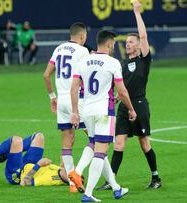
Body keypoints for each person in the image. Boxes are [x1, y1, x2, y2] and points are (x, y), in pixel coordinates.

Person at [97, 0, 162, 190]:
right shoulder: (122, 64)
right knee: (118, 144)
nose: (127, 44)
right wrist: (118, 97)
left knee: (144, 143)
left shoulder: (144, 59)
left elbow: (143, 34)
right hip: (125, 106)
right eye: (126, 42)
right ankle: (111, 180)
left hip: (140, 105)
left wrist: (136, 11)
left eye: (131, 41)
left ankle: (156, 177)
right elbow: (122, 87)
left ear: (139, 45)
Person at [69, 30, 137, 202]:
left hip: (88, 111)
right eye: (113, 44)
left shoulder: (83, 61)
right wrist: (130, 108)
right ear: (109, 44)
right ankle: (88, 194)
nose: (113, 46)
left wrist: (75, 112)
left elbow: (74, 88)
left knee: (95, 145)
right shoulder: (113, 63)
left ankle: (116, 188)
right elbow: (121, 91)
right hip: (105, 111)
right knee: (101, 151)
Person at [44, 22, 90, 193]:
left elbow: (46, 75)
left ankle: (72, 183)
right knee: (95, 139)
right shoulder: (82, 51)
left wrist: (52, 97)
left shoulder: (58, 49)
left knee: (67, 142)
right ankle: (81, 174)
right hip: (76, 99)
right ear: (82, 36)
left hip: (61, 100)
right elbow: (87, 75)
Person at [0, 132, 69, 186]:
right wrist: (63, 163)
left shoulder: (50, 179)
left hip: (18, 175)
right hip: (29, 164)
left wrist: (39, 165)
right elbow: (63, 167)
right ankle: (5, 154)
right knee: (39, 137)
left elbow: (24, 182)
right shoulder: (61, 171)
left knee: (16, 140)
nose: (72, 171)